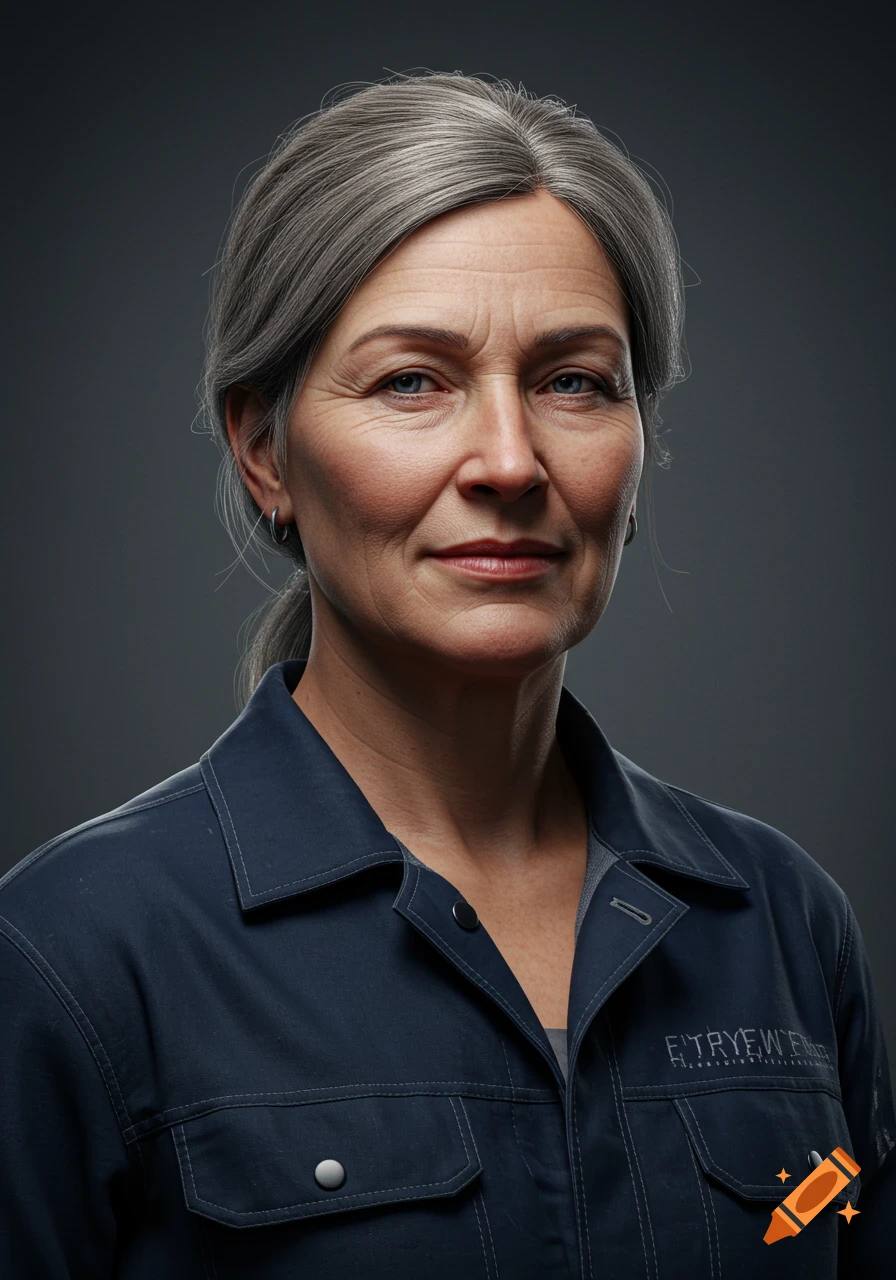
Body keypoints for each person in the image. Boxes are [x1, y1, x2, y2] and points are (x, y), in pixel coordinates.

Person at [1, 70, 893, 1280]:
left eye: (573, 380)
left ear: (637, 445)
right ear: (263, 450)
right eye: (411, 380)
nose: (510, 460)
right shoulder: (66, 953)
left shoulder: (782, 924)